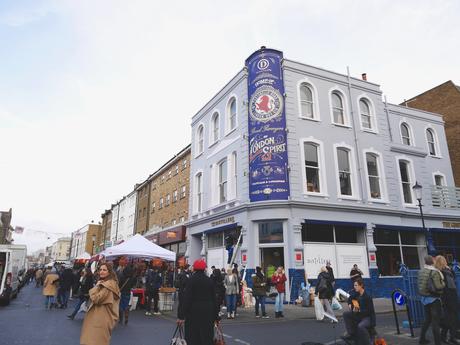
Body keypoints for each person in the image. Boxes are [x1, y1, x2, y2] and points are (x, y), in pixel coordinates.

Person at [177, 259, 219, 345]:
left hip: (193, 312)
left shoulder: (191, 280)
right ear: (204, 269)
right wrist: (216, 316)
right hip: (207, 312)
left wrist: (181, 316)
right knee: (206, 336)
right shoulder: (209, 281)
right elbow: (214, 299)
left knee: (193, 336)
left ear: (194, 268)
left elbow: (187, 299)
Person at [80, 263, 120, 345]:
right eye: (100, 270)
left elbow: (96, 299)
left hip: (101, 319)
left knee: (96, 342)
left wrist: (96, 287)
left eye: (104, 270)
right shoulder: (108, 283)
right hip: (102, 317)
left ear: (109, 272)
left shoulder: (107, 285)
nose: (101, 272)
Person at [418, 255, 445, 345]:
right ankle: (437, 342)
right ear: (432, 262)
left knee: (427, 320)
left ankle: (422, 339)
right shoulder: (434, 272)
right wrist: (443, 284)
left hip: (424, 298)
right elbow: (438, 286)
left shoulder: (421, 271)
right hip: (434, 299)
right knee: (435, 322)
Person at [341, 278, 376, 345]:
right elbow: (350, 298)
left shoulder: (367, 297)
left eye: (356, 285)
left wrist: (359, 310)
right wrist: (350, 305)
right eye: (354, 285)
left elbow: (370, 311)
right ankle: (351, 334)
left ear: (361, 285)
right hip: (359, 315)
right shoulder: (356, 294)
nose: (354, 287)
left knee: (361, 326)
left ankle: (369, 342)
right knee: (346, 314)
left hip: (367, 317)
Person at [435, 256, 458, 345]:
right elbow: (451, 284)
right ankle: (451, 337)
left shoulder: (440, 272)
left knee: (448, 318)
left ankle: (444, 337)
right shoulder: (444, 272)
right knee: (452, 318)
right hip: (450, 297)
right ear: (443, 262)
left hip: (445, 297)